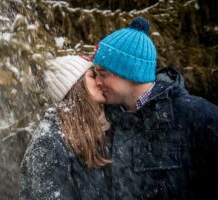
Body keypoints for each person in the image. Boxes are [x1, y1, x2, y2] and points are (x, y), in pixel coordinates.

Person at [92, 16, 218, 199]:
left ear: (130, 72)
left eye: (103, 74)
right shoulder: (108, 121)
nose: (97, 82)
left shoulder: (196, 115)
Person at [19, 55, 112, 200]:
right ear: (76, 86)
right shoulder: (48, 141)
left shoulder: (93, 127)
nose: (99, 82)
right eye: (92, 76)